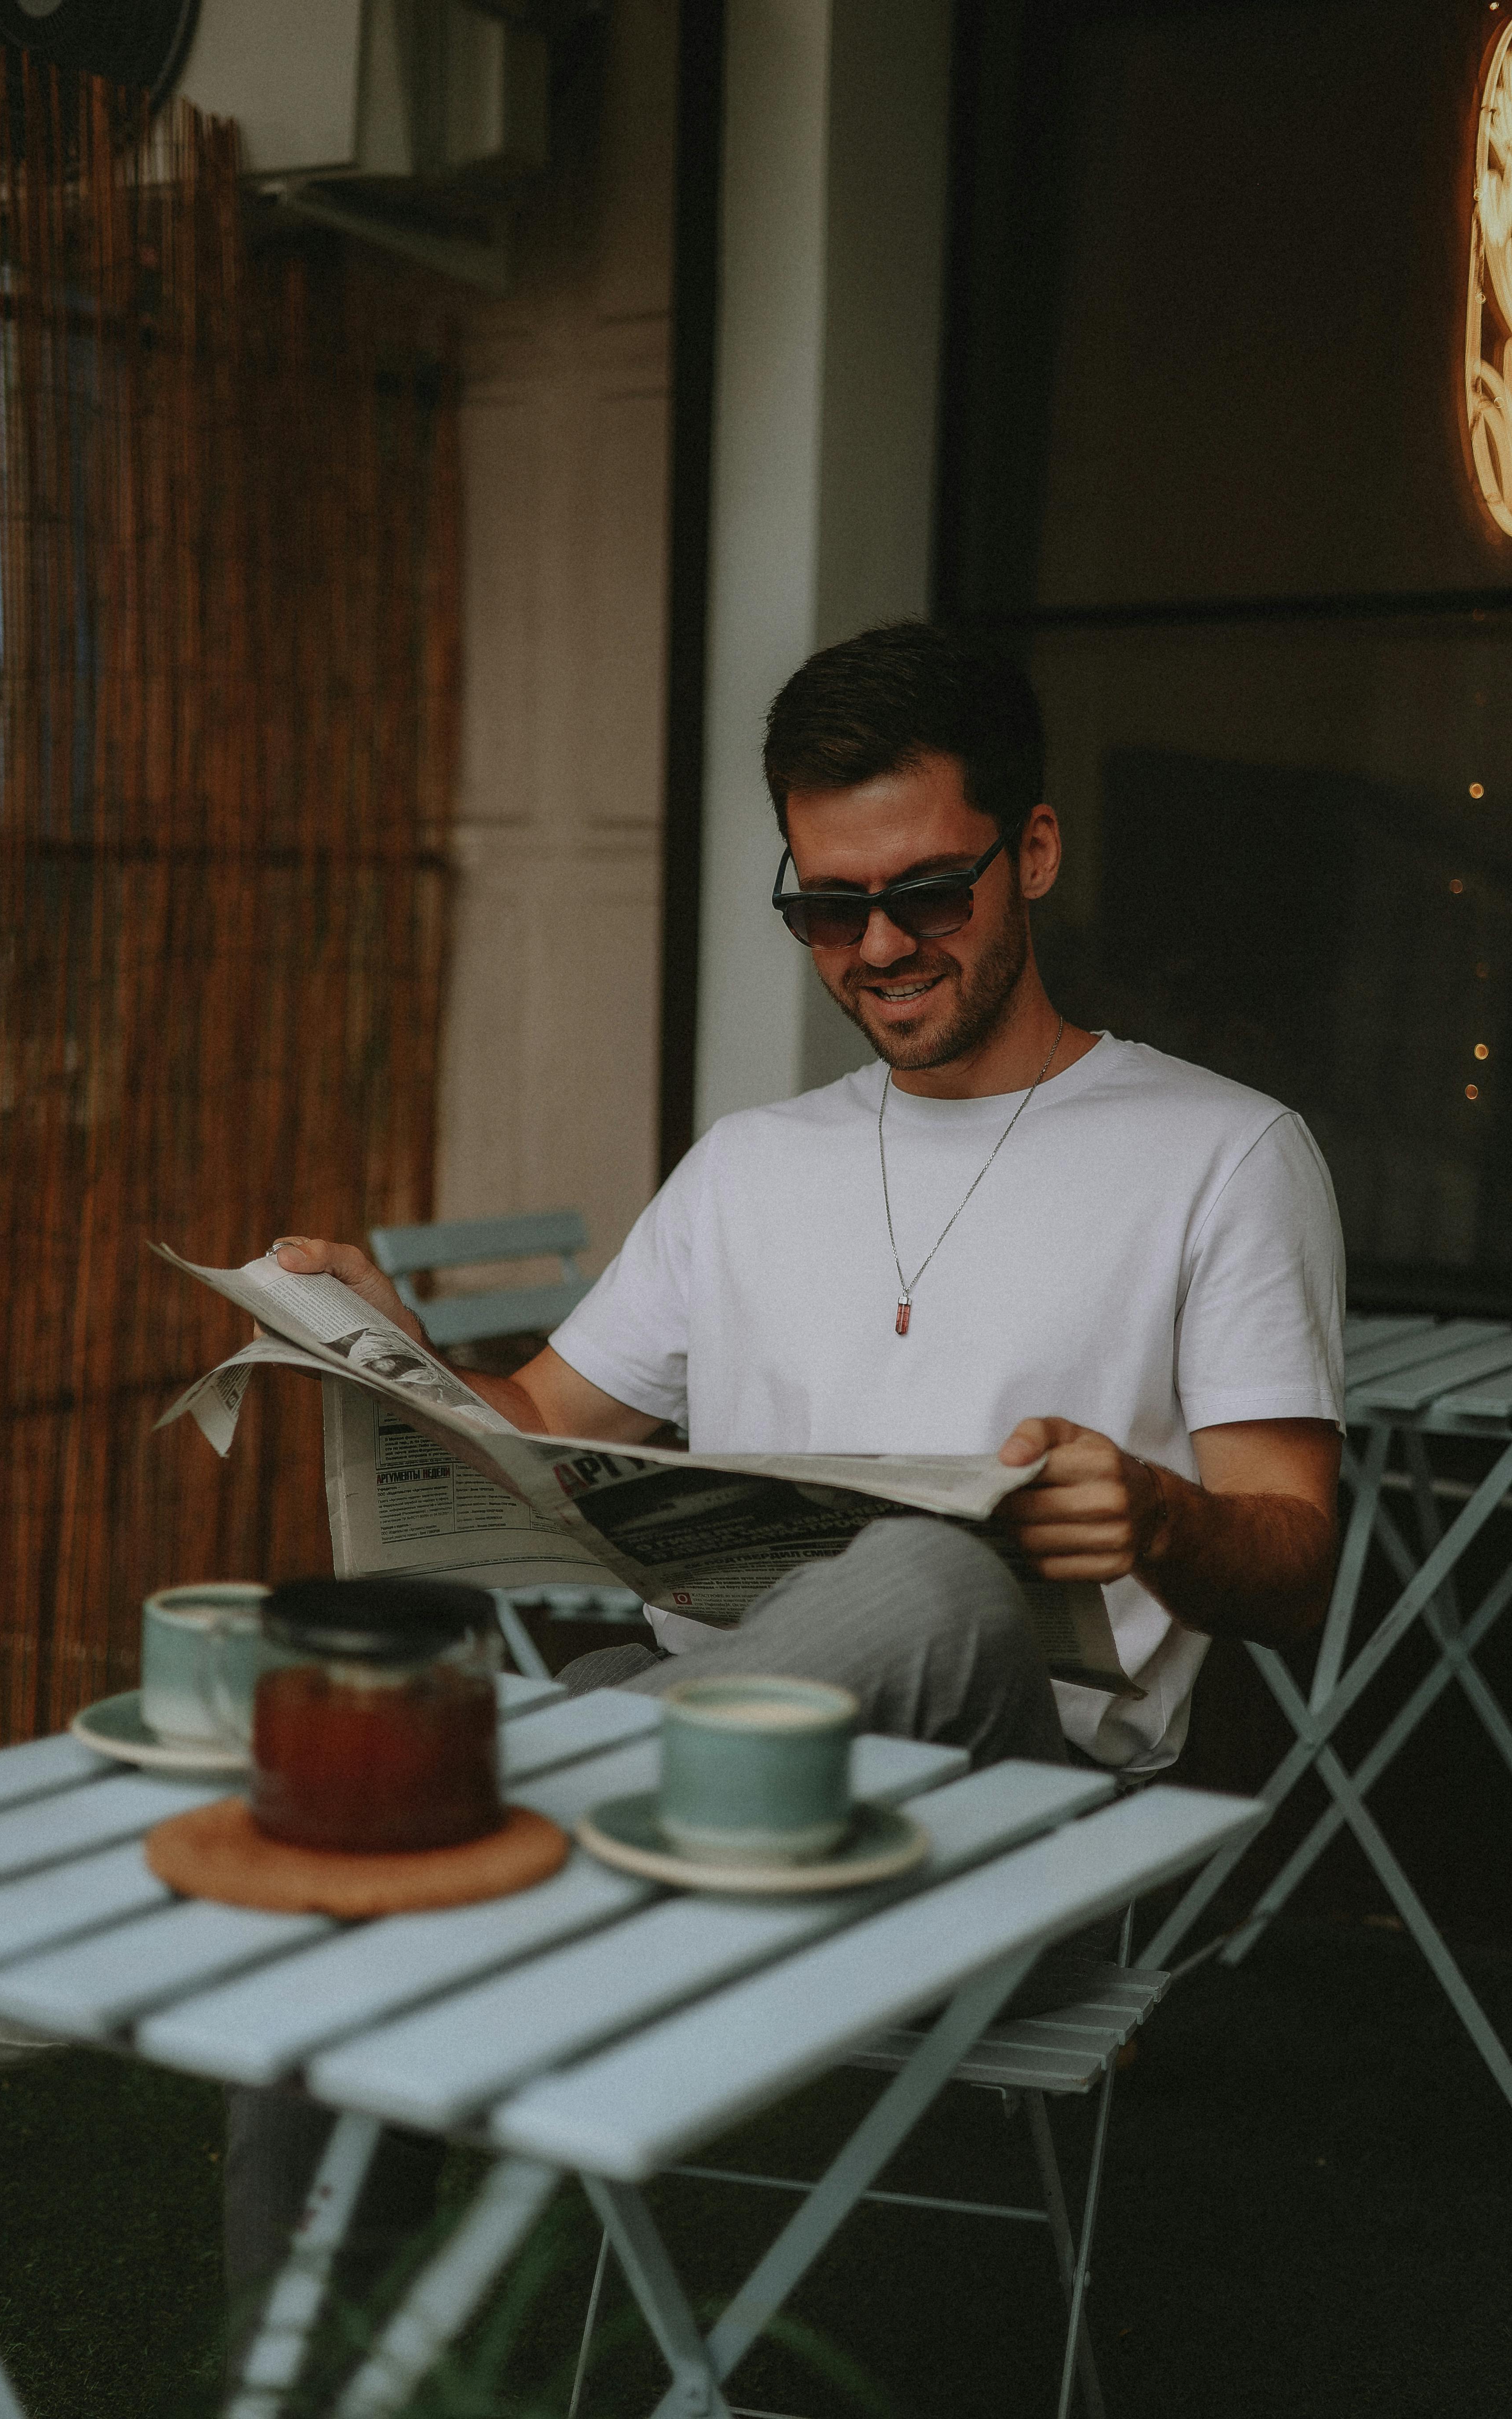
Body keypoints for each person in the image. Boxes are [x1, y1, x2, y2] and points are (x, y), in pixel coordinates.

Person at [235, 622, 1344, 2325]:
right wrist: (388, 1350)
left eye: (927, 896)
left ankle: (479, 1872)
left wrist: (1167, 1514)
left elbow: (1293, 1559)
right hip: (696, 1762)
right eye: (829, 908)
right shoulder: (750, 1166)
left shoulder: (1225, 1155)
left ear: (1032, 852)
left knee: (931, 1575)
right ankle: (307, 2361)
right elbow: (541, 1430)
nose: (879, 949)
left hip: (1015, 1820)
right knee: (425, 1724)